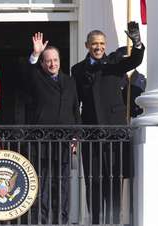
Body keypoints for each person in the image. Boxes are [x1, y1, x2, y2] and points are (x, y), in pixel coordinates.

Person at [71, 21, 145, 224]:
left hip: (114, 132)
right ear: (87, 45)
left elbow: (135, 60)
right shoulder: (77, 70)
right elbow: (75, 102)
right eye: (95, 44)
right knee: (93, 181)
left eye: (102, 44)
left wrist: (137, 42)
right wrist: (76, 132)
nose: (99, 47)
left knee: (114, 179)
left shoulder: (114, 63)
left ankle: (113, 220)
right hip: (91, 131)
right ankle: (94, 220)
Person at [25, 32, 81, 224]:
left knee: (63, 185)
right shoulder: (37, 78)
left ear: (59, 61)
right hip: (43, 141)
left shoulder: (70, 81)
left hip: (65, 140)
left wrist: (76, 135)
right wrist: (35, 54)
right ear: (42, 63)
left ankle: (62, 221)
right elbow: (28, 73)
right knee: (43, 185)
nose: (52, 64)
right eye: (48, 61)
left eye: (55, 60)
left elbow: (75, 110)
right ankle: (41, 221)